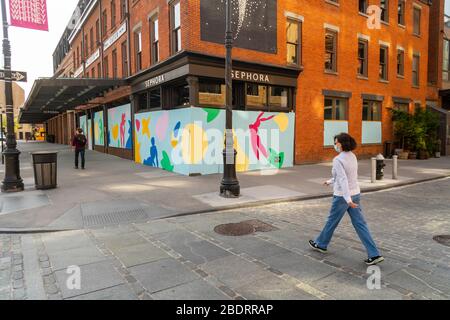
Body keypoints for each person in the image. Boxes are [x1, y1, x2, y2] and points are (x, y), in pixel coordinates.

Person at [309, 133, 384, 266]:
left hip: (343, 197)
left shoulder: (338, 159)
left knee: (332, 221)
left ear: (342, 144)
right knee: (361, 224)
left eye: (336, 142)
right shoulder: (352, 156)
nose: (335, 145)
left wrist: (347, 199)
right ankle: (374, 254)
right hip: (355, 194)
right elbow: (345, 177)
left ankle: (321, 244)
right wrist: (330, 181)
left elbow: (343, 179)